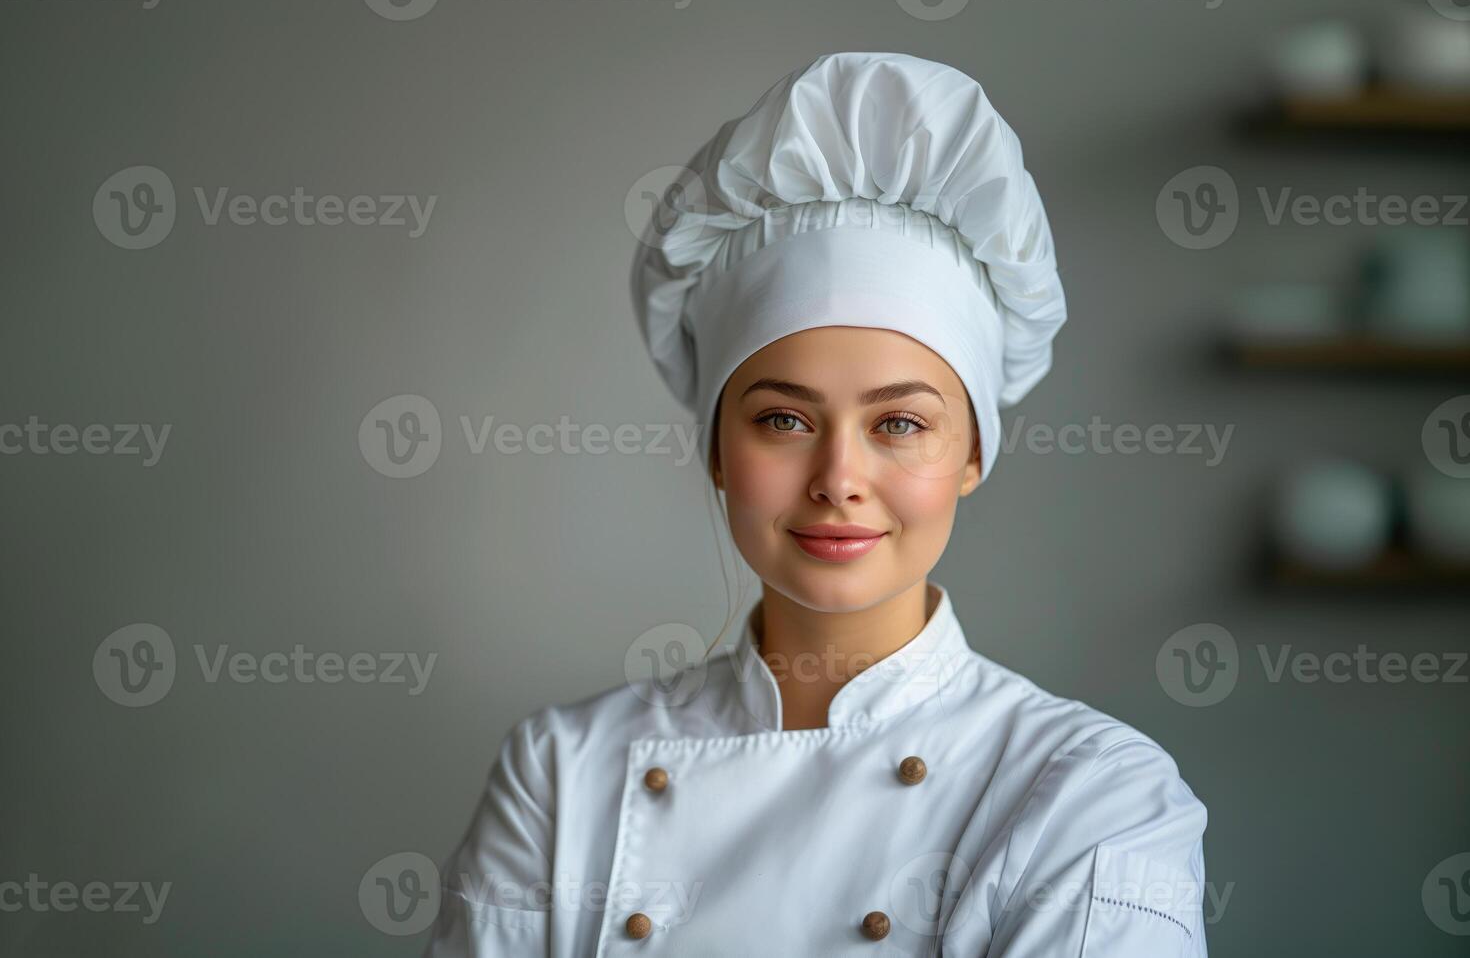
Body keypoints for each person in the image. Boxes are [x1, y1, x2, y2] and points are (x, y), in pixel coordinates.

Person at [424, 51, 1209, 956]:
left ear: (973, 455)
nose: (839, 476)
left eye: (902, 424)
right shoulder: (563, 774)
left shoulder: (1091, 794)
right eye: (785, 418)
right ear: (717, 451)